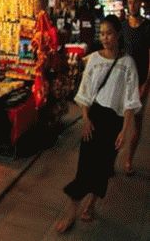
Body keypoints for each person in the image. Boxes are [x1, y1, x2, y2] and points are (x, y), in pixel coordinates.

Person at [55, 15, 142, 233]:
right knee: (85, 167)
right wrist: (85, 118)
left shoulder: (127, 64)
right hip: (94, 118)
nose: (105, 38)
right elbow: (85, 92)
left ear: (118, 35)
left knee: (104, 166)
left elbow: (130, 100)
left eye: (109, 33)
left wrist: (124, 130)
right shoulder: (93, 60)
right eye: (102, 33)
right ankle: (71, 212)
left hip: (114, 121)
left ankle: (92, 204)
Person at [121, 0, 150, 175]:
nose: (132, 5)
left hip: (140, 80)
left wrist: (146, 83)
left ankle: (129, 160)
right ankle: (110, 159)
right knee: (118, 120)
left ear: (140, 4)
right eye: (129, 2)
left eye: (135, 2)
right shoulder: (122, 27)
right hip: (123, 81)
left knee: (136, 122)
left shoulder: (147, 27)